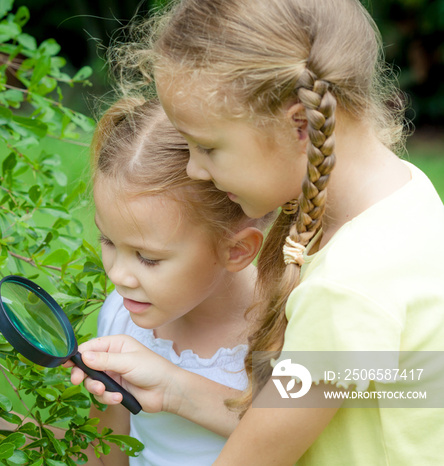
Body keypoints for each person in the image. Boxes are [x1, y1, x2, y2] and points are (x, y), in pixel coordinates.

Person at [69, 0, 444, 465]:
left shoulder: (348, 291)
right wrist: (174, 387)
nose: (194, 169)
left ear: (300, 125)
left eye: (207, 147)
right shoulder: (409, 200)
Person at [0, 97, 269, 465]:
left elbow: (321, 433)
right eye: (107, 241)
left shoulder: (298, 320)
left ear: (237, 251)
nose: (116, 275)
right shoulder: (122, 316)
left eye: (148, 257)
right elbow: (108, 455)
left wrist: (175, 389)